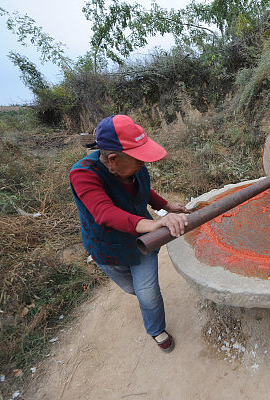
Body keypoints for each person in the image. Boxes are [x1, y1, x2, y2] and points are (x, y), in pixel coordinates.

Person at [70, 114, 189, 353]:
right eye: (139, 159)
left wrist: (167, 207)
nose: (144, 164)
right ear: (113, 159)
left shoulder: (134, 168)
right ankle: (146, 300)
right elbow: (104, 212)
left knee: (148, 292)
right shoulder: (83, 174)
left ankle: (155, 329)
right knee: (132, 288)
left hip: (143, 242)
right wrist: (154, 224)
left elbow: (144, 190)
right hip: (108, 247)